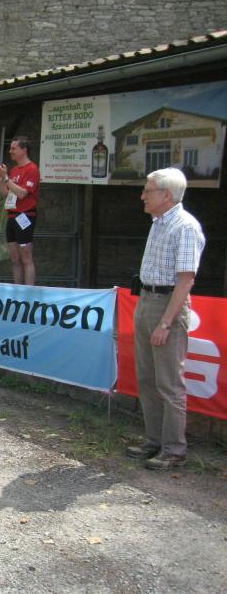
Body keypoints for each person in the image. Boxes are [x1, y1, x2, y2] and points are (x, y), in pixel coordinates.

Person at [126, 168, 205, 470]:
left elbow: (185, 281)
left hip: (167, 305)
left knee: (169, 382)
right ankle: (155, 440)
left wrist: (166, 322)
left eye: (148, 190)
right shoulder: (159, 223)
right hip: (147, 299)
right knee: (147, 377)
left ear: (167, 195)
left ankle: (174, 449)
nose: (142, 196)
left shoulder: (185, 227)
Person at [0, 136, 40, 285]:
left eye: (14, 148)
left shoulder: (32, 169)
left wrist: (6, 178)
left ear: (23, 150)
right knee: (15, 259)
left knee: (26, 258)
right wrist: (1, 180)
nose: (10, 151)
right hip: (12, 216)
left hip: (25, 216)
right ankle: (17, 290)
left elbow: (22, 193)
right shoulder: (14, 170)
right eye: (10, 148)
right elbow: (6, 194)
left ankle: (28, 291)